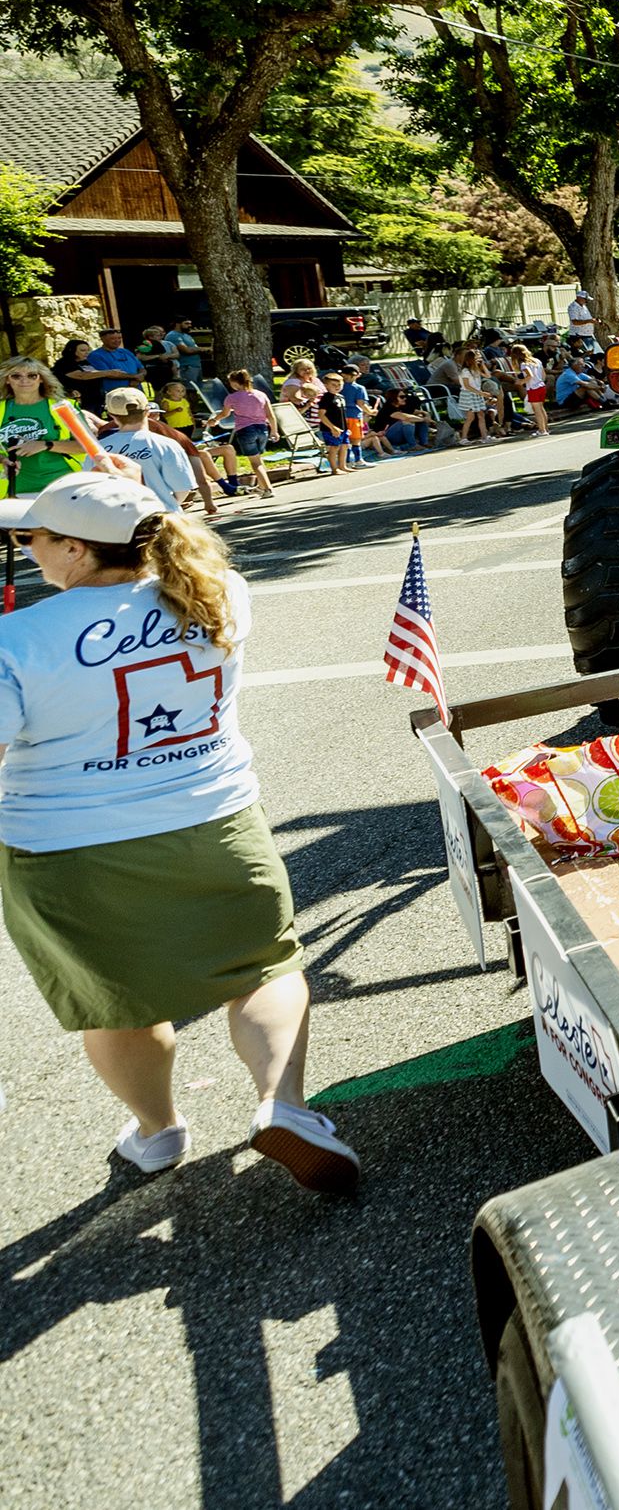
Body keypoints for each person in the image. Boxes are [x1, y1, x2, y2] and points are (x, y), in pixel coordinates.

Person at [0, 471, 357, 1190]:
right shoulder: (219, 593)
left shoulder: (19, 638)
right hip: (213, 819)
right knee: (261, 966)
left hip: (67, 847)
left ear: (73, 548)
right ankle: (282, 1103)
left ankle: (158, 1133)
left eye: (30, 537)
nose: (24, 548)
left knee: (118, 1002)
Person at [99, 388, 214, 519]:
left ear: (111, 415)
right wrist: (169, 505)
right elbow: (182, 488)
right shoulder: (166, 444)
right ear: (147, 411)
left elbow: (94, 489)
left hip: (118, 520)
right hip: (162, 516)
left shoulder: (98, 448)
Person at [0, 357, 94, 500]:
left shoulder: (64, 407)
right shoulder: (1, 409)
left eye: (32, 375)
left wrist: (45, 445)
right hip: (14, 489)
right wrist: (3, 460)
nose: (24, 380)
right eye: (16, 376)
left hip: (62, 485)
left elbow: (87, 446)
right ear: (7, 380)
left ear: (41, 379)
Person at [218, 370, 275, 497]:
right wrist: (274, 431)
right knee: (258, 459)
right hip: (262, 428)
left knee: (255, 462)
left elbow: (225, 414)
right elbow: (270, 415)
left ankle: (268, 489)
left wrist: (214, 420)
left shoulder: (232, 397)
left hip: (245, 430)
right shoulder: (260, 394)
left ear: (234, 383)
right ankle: (261, 486)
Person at [76, 329, 143, 414]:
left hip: (136, 393)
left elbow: (141, 368)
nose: (117, 341)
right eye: (113, 339)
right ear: (103, 339)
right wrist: (134, 377)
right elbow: (109, 374)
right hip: (115, 396)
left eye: (119, 338)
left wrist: (138, 378)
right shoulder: (96, 356)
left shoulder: (125, 351)